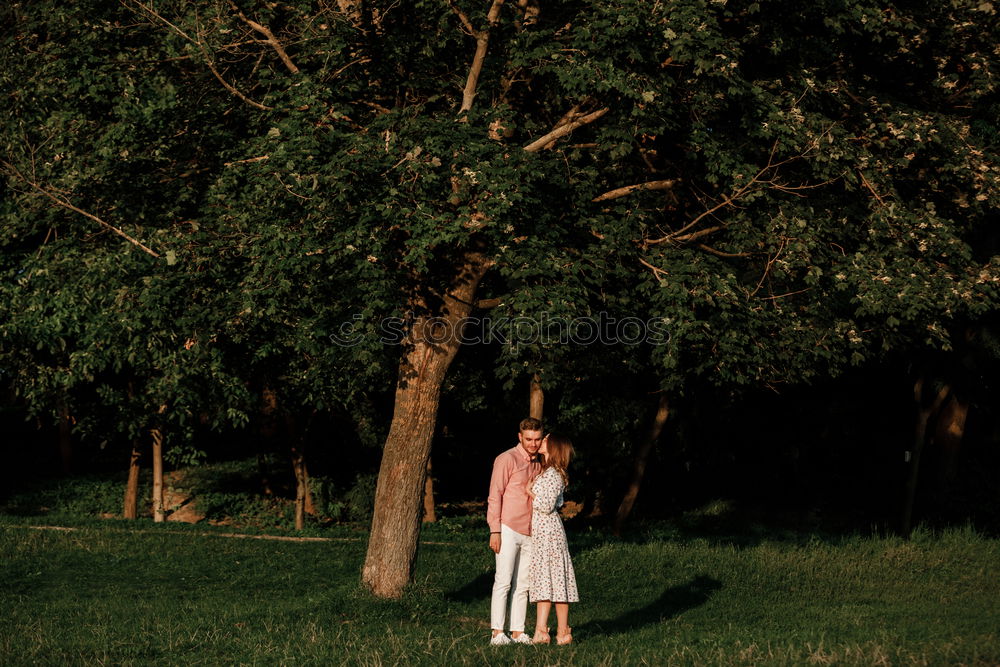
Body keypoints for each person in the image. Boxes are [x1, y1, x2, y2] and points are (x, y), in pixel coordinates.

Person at [486, 417, 543, 646]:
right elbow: (494, 495)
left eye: (537, 439)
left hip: (531, 530)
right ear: (520, 437)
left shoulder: (540, 462)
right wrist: (495, 530)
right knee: (503, 580)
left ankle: (518, 632)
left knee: (524, 583)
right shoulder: (506, 459)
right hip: (508, 527)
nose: (533, 443)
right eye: (529, 439)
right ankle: (497, 633)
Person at [528, 433, 579, 646]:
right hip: (543, 532)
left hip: (549, 533)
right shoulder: (548, 471)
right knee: (546, 580)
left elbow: (547, 505)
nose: (541, 442)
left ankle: (562, 631)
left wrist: (529, 491)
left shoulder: (554, 474)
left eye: (546, 439)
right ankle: (543, 631)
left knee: (556, 581)